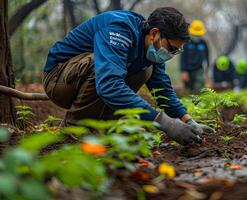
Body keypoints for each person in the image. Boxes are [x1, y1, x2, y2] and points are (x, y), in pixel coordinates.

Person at [42, 7, 214, 146]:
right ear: (154, 33)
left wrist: (188, 121)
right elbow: (109, 84)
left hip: (80, 80)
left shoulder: (152, 50)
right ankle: (73, 132)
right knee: (103, 68)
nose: (171, 54)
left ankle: (102, 127)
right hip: (58, 80)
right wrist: (165, 122)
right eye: (171, 48)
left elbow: (162, 88)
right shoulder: (120, 29)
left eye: (177, 51)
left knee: (146, 70)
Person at [180, 20, 210, 94]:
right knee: (189, 90)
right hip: (188, 70)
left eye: (198, 35)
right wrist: (183, 71)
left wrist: (207, 72)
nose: (197, 36)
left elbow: (207, 57)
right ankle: (190, 105)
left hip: (199, 70)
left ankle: (199, 105)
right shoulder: (187, 43)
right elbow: (182, 58)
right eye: (195, 34)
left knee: (199, 89)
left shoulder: (203, 43)